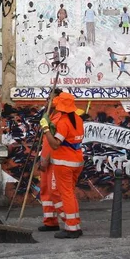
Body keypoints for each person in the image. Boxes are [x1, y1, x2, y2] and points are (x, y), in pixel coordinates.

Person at [40, 93, 84, 239]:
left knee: (65, 195)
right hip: (76, 160)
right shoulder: (77, 119)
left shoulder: (63, 121)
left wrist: (46, 129)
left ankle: (71, 227)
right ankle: (74, 224)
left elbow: (55, 144)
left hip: (63, 163)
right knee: (70, 194)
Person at [38, 92, 64, 232]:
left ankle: (69, 220)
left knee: (55, 191)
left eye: (50, 98)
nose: (46, 100)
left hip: (55, 160)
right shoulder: (49, 116)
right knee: (45, 189)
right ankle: (50, 221)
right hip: (46, 158)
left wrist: (46, 158)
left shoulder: (60, 118)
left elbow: (55, 143)